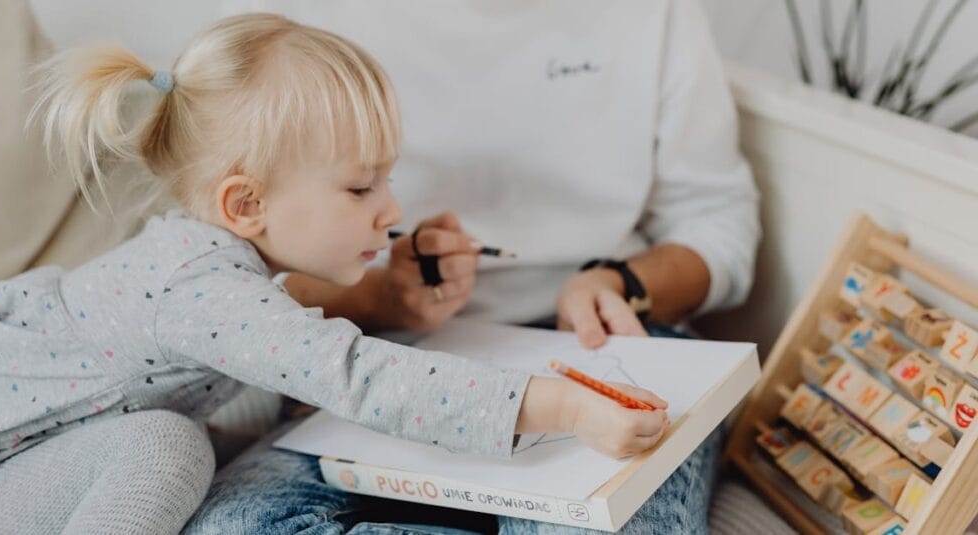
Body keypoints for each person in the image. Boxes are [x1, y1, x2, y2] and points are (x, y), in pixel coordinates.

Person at [0, 13, 670, 535]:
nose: (389, 209)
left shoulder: (219, 266)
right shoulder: (199, 288)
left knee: (255, 418)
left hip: (54, 453)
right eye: (360, 190)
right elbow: (359, 374)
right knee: (169, 444)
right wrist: (565, 407)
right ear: (247, 204)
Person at [184, 1, 760, 534]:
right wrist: (384, 297)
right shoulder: (306, 29)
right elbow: (236, 265)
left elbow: (718, 223)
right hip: (381, 355)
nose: (392, 209)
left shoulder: (653, 15)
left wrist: (623, 283)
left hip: (600, 351)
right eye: (362, 186)